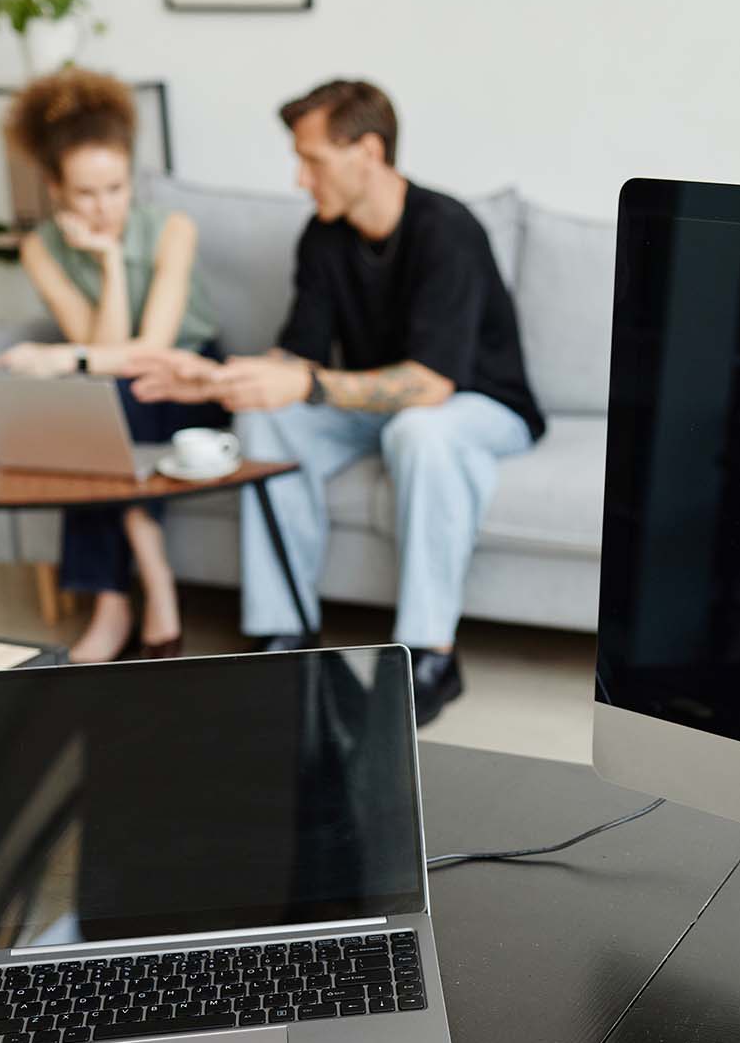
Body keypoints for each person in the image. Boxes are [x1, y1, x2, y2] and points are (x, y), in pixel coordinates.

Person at [130, 79, 543, 723]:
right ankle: (285, 632)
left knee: (419, 430)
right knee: (267, 415)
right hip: (386, 405)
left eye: (312, 159)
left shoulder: (446, 229)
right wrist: (214, 379)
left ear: (369, 153)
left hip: (480, 405)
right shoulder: (324, 235)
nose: (299, 179)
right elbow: (298, 360)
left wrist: (311, 384)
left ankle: (428, 654)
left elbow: (432, 383)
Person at [0, 68, 225, 663]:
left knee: (111, 397)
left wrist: (58, 358)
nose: (105, 209)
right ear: (55, 190)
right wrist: (110, 262)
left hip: (191, 372)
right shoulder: (41, 247)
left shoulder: (174, 228)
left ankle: (114, 604)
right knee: (103, 400)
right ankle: (151, 581)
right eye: (87, 194)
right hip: (120, 383)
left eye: (117, 189)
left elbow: (151, 347)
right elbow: (108, 349)